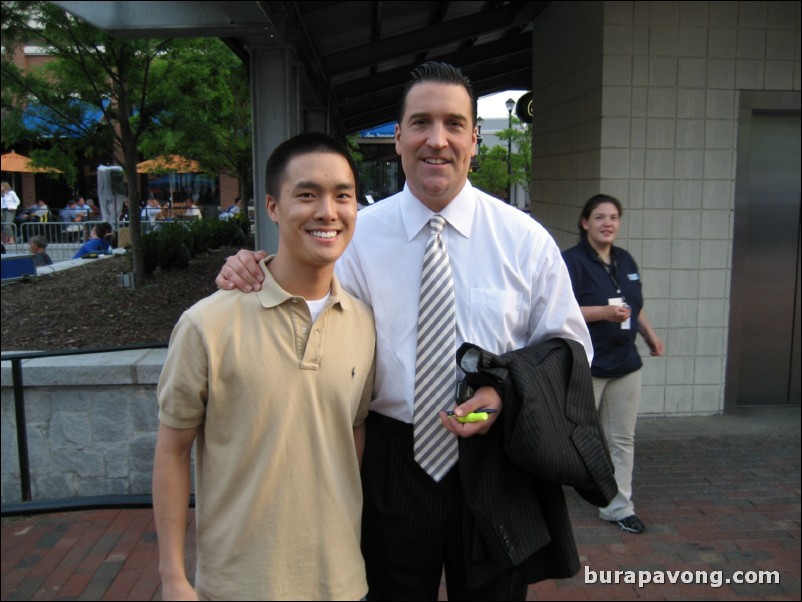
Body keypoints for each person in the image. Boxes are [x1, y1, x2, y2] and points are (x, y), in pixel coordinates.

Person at [217, 62, 596, 601]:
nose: (436, 140)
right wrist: (249, 268)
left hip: (495, 459)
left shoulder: (525, 241)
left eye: (453, 124)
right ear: (397, 138)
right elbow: (299, 300)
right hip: (390, 458)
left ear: (474, 139)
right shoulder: (353, 236)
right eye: (420, 123)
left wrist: (504, 394)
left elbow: (571, 350)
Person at [152, 132, 376, 601]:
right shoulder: (207, 324)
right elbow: (172, 450)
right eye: (307, 194)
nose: (327, 212)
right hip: (238, 585)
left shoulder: (363, 323)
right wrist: (173, 575)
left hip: (340, 582)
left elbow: (353, 433)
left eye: (343, 196)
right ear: (272, 207)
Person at [562, 194, 665, 535]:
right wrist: (603, 314)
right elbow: (558, 311)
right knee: (575, 436)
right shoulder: (572, 262)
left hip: (625, 362)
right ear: (585, 222)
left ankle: (618, 506)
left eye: (613, 217)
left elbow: (635, 306)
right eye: (600, 217)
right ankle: (552, 493)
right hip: (587, 365)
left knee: (622, 439)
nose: (608, 223)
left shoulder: (625, 260)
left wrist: (649, 335)